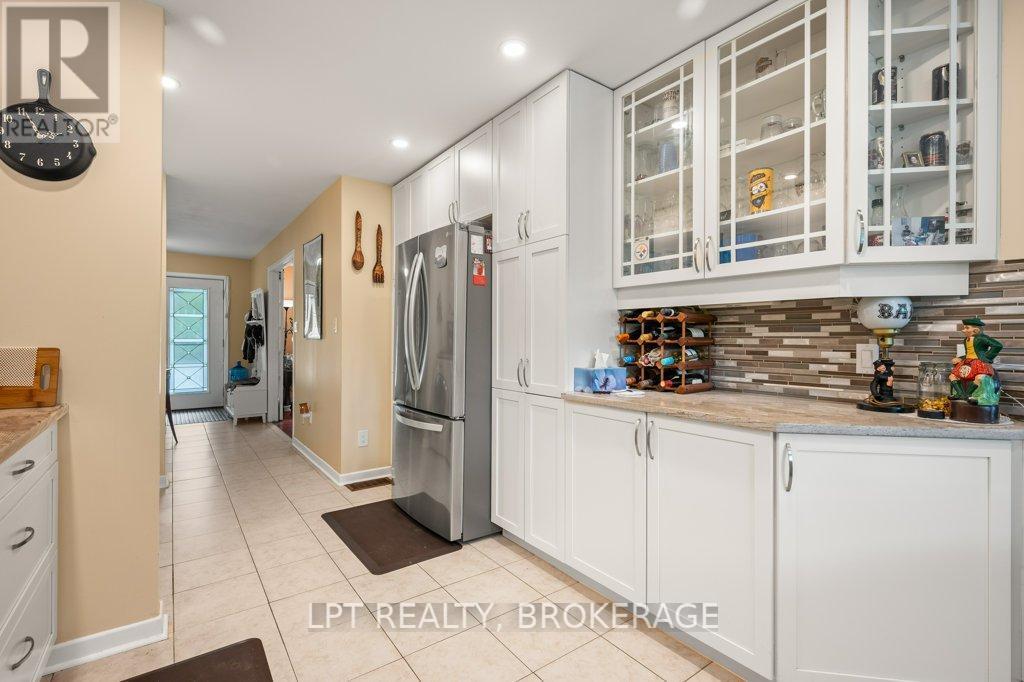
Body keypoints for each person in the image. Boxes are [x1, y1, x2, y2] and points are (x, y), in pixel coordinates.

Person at [950, 317, 1003, 401]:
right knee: (952, 376)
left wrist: (986, 357)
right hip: (967, 362)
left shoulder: (982, 338)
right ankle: (960, 394)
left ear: (975, 330)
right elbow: (970, 353)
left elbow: (998, 345)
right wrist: (960, 358)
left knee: (979, 378)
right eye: (964, 327)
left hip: (978, 362)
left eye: (967, 328)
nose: (963, 330)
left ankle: (968, 394)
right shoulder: (966, 339)